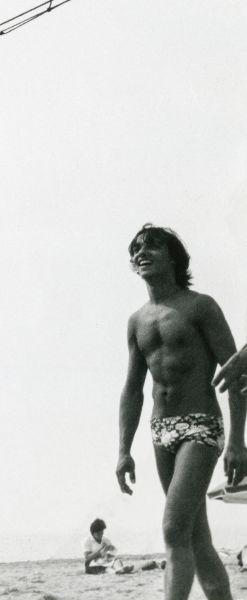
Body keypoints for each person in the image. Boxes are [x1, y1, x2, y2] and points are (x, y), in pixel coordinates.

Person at [116, 224, 247, 600]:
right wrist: (124, 450)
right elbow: (132, 389)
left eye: (152, 247)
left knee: (173, 528)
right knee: (195, 537)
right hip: (161, 430)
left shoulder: (200, 306)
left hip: (200, 425)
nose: (141, 253)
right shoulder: (137, 321)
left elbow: (237, 374)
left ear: (173, 258)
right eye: (136, 249)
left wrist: (237, 440)